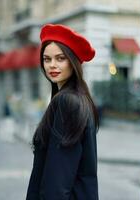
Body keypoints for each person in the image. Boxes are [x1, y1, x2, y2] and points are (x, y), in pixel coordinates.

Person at [26, 24, 100, 200]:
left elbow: (57, 183)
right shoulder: (80, 98)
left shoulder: (67, 102)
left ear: (72, 61)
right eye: (47, 59)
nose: (52, 65)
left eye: (60, 58)